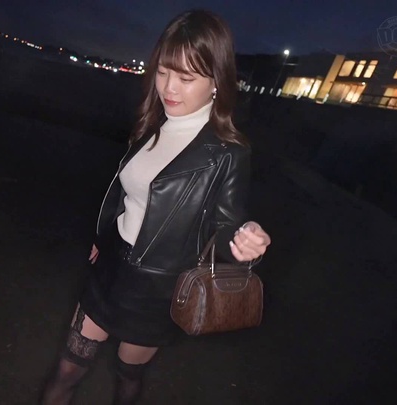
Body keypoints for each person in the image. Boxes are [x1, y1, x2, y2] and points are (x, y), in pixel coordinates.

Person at [40, 9, 271, 405]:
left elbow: (227, 229)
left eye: (186, 78)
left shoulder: (227, 152)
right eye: (163, 72)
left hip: (157, 292)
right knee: (67, 368)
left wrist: (248, 240)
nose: (169, 88)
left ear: (217, 82)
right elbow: (125, 193)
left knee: (128, 378)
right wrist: (103, 238)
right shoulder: (153, 122)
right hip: (109, 271)